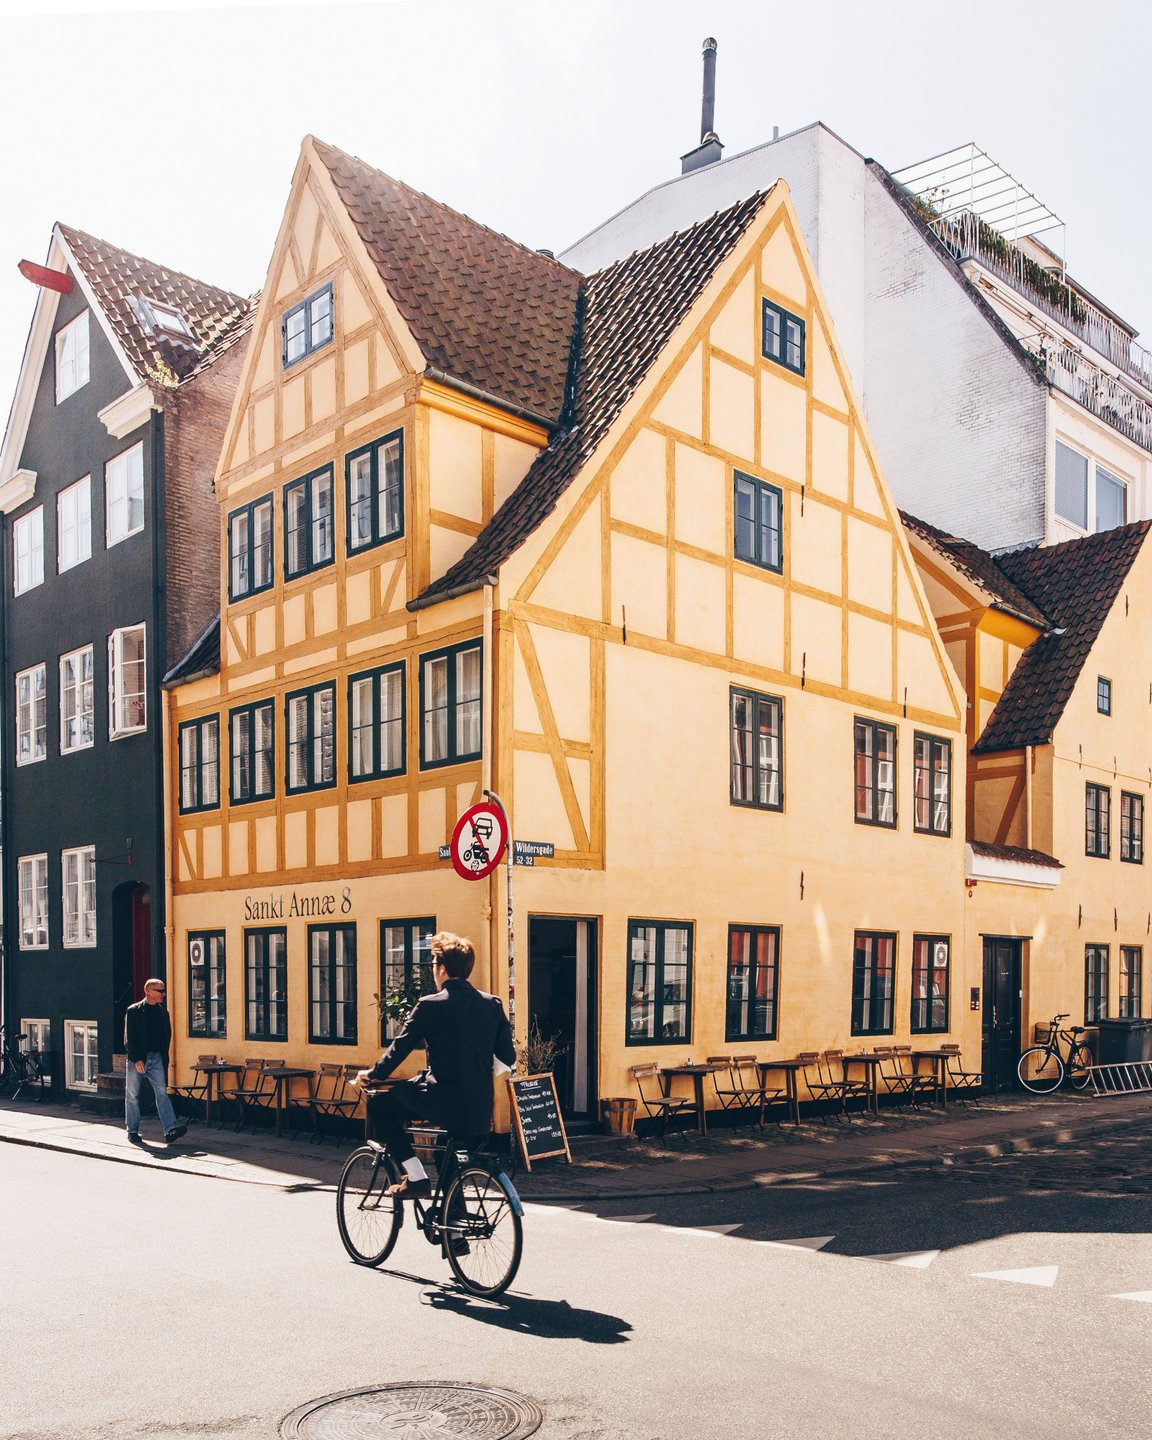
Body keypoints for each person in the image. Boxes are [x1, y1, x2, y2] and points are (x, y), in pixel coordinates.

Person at [356, 931, 515, 1199]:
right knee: (447, 1162)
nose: (433, 971)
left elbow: (399, 1049)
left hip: (443, 1099)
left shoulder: (430, 1006)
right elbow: (507, 1058)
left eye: (432, 965)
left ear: (441, 968)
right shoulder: (492, 1004)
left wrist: (373, 1074)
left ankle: (416, 1177)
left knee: (379, 1107)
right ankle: (454, 1234)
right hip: (479, 1106)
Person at [124, 978, 187, 1146]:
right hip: (137, 1058)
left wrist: (164, 1057)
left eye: (163, 991)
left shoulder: (162, 1013)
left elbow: (166, 1037)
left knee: (161, 1093)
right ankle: (132, 1131)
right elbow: (129, 1038)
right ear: (149, 992)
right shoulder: (134, 1011)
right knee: (132, 1095)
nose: (163, 994)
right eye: (160, 991)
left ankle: (169, 1129)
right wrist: (137, 1059)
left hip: (157, 1057)